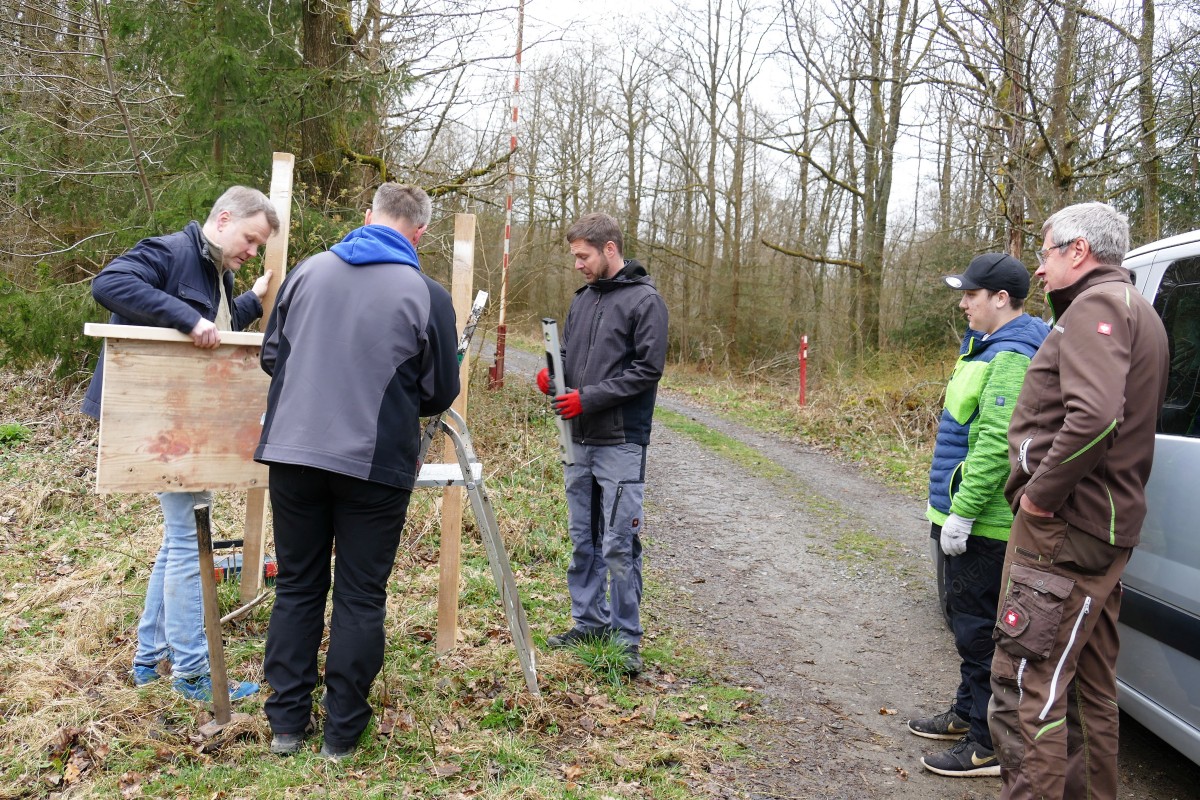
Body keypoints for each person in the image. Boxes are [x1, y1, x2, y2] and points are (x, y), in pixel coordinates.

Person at [254, 183, 459, 760]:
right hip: (374, 464)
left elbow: (273, 356)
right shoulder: (427, 293)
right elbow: (440, 390)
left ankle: (286, 726)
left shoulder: (307, 271)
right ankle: (342, 733)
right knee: (360, 595)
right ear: (419, 233)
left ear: (366, 217)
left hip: (293, 454)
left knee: (296, 586)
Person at [988, 202, 1169, 799]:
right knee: (1090, 686)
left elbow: (1094, 417)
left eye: (1045, 253)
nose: (1038, 270)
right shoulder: (1139, 310)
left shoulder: (1096, 308)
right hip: (1101, 533)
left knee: (1025, 684)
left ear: (1078, 250)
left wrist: (1039, 497)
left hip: (1063, 531)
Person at [84, 185, 280, 701]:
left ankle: (150, 660)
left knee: (178, 540)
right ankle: (193, 673)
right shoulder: (171, 251)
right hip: (161, 424)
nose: (252, 250)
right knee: (190, 543)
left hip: (187, 425)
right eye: (250, 238)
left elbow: (214, 331)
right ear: (222, 218)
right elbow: (110, 283)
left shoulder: (220, 272)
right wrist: (186, 318)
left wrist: (251, 302)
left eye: (259, 246)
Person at [906, 254, 1049, 777]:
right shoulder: (984, 348)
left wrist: (963, 513)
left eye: (970, 294)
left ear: (1001, 299)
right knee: (964, 625)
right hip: (958, 512)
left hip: (984, 523)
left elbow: (996, 444)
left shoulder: (1010, 356)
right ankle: (966, 714)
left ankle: (987, 743)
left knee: (980, 631)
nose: (963, 303)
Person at [535, 212, 668, 675]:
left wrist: (585, 398)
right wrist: (552, 376)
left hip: (621, 441)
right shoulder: (583, 300)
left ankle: (626, 638)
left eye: (582, 255)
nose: (577, 264)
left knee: (618, 541)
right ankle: (588, 621)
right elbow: (568, 356)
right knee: (581, 539)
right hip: (578, 440)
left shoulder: (644, 301)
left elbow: (647, 371)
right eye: (575, 256)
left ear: (609, 249)